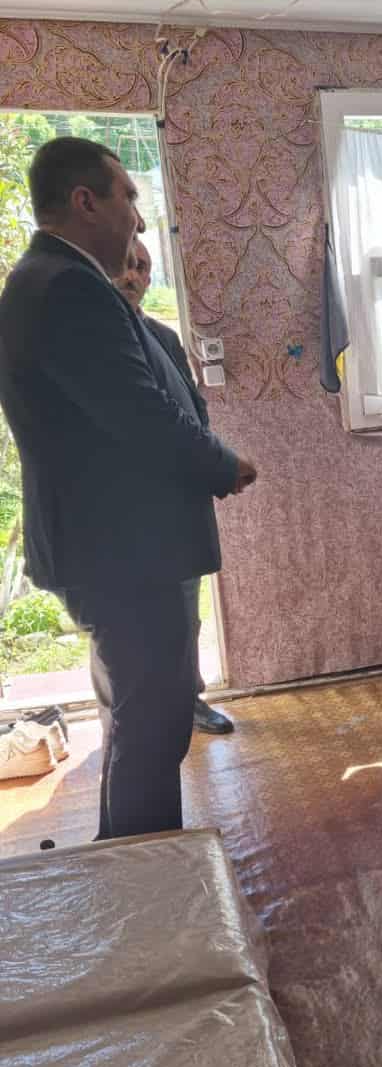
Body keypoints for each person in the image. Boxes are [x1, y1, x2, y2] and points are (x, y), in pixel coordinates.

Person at [0, 137, 256, 840]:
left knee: (139, 724)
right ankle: (147, 880)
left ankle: (131, 867)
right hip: (125, 552)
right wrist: (224, 464)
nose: (139, 221)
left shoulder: (50, 281)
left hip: (119, 548)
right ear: (85, 202)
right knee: (151, 730)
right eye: (130, 198)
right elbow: (142, 415)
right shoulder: (67, 288)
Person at [117, 238, 234, 736]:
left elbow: (193, 409)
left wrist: (210, 463)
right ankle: (144, 710)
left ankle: (189, 699)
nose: (134, 275)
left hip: (178, 503)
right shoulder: (97, 340)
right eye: (124, 265)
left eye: (142, 267)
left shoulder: (163, 336)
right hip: (125, 512)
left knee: (186, 613)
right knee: (131, 625)